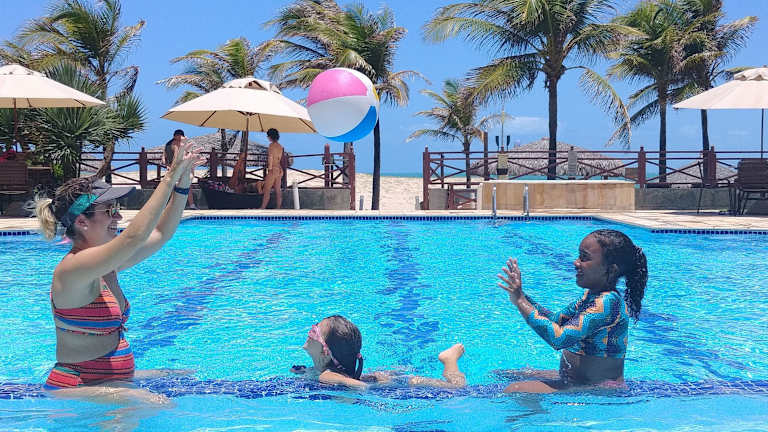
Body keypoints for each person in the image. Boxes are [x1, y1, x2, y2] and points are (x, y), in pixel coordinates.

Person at [34, 139, 204, 400]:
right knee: (158, 403)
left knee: (181, 375)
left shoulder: (106, 266)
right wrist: (169, 177)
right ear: (82, 222)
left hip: (110, 379)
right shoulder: (72, 269)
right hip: (77, 384)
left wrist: (182, 185)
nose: (119, 217)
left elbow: (160, 233)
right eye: (110, 210)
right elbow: (133, 237)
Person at [497, 229, 648, 393]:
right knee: (506, 374)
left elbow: (559, 339)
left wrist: (521, 301)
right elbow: (555, 320)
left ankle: (544, 411)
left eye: (584, 258)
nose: (576, 263)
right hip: (575, 379)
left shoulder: (608, 303)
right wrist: (520, 296)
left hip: (598, 388)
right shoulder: (591, 296)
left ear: (610, 270)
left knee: (515, 389)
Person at [290, 315, 466, 390]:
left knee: (457, 388)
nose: (311, 330)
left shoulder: (326, 375)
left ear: (325, 353)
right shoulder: (323, 369)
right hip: (382, 380)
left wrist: (366, 387)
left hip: (399, 386)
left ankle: (449, 360)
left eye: (315, 331)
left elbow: (351, 384)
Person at [163, 129, 198, 209]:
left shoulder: (170, 144)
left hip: (176, 167)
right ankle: (189, 205)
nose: (181, 138)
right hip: (176, 167)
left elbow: (164, 156)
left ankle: (190, 204)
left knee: (181, 185)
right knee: (182, 185)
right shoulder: (174, 144)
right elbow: (173, 156)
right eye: (180, 136)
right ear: (176, 136)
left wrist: (167, 165)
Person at [258, 128, 284, 210]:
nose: (267, 137)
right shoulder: (280, 146)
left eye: (268, 136)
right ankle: (278, 207)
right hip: (279, 169)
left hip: (273, 169)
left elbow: (271, 158)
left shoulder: (271, 146)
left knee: (267, 189)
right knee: (278, 190)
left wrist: (269, 169)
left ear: (270, 136)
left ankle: (262, 207)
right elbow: (279, 159)